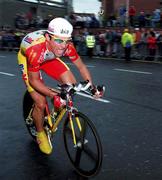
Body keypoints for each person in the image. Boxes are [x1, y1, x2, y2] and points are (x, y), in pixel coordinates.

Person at [17, 17, 104, 155]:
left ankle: (55, 111)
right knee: (40, 102)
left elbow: (81, 66)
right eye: (58, 40)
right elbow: (34, 81)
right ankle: (40, 133)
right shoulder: (35, 50)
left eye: (66, 40)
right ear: (48, 37)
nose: (63, 45)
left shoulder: (67, 45)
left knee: (71, 86)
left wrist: (92, 87)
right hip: (30, 58)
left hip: (48, 57)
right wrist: (53, 95)